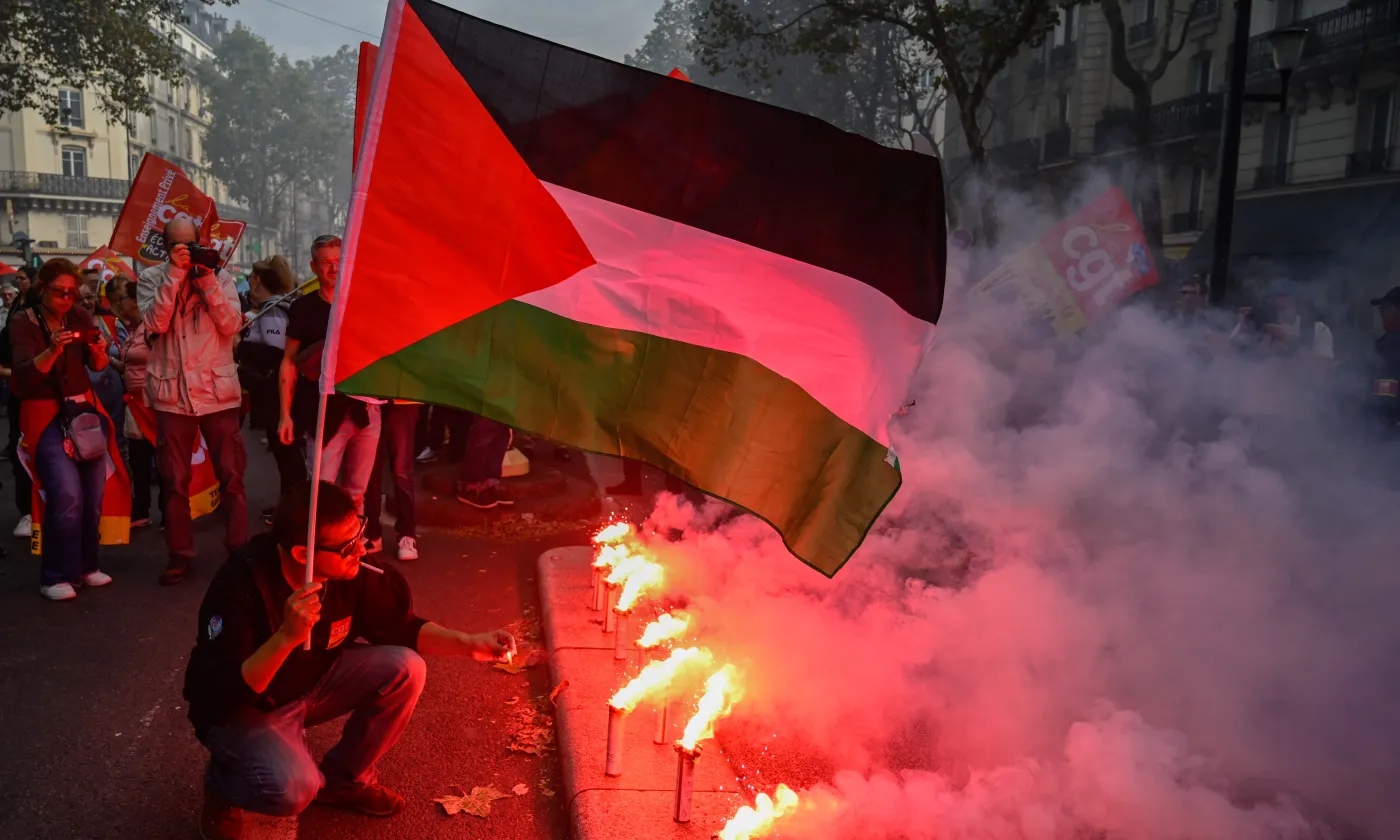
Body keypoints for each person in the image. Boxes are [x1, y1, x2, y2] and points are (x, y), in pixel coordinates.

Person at [184, 480, 516, 839]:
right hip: (252, 706)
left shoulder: (348, 570)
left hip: (315, 681)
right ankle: (224, 786)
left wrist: (470, 643)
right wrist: (285, 637)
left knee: (406, 668)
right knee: (292, 789)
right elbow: (223, 693)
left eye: (359, 531)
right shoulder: (242, 584)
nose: (361, 548)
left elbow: (399, 627)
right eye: (346, 546)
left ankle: (345, 780)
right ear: (301, 554)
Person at [137, 217, 249, 586]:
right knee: (173, 481)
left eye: (191, 244)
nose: (185, 251)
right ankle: (179, 554)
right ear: (166, 247)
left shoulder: (223, 278)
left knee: (232, 476)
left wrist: (206, 281)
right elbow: (155, 323)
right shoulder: (152, 278)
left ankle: (239, 548)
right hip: (173, 395)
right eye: (177, 245)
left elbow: (233, 325)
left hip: (217, 394)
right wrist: (173, 275)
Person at [10, 259, 120, 600]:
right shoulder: (23, 321)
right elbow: (24, 375)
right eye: (60, 292)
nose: (67, 299)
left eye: (73, 293)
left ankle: (86, 566)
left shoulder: (80, 316)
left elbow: (97, 366)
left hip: (82, 409)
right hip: (43, 412)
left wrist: (100, 352)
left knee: (92, 492)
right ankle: (56, 573)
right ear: (42, 288)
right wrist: (54, 348)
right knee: (66, 491)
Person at [278, 235, 382, 517]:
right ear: (314, 266)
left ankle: (352, 550)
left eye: (339, 261)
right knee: (321, 493)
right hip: (321, 411)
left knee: (357, 491)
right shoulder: (302, 308)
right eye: (326, 263)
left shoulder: (364, 302)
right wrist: (285, 415)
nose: (333, 268)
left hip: (365, 407)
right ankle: (322, 552)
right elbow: (288, 362)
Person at [239, 256, 303, 518]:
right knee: (285, 452)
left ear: (257, 281)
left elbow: (279, 355)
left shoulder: (272, 309)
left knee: (286, 453)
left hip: (275, 391)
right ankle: (291, 504)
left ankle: (293, 507)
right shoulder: (276, 306)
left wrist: (241, 347)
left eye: (250, 278)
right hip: (275, 390)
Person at [113, 281, 159, 528]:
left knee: (164, 461)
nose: (119, 304)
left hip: (155, 403)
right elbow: (129, 366)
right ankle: (140, 509)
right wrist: (106, 358)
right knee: (139, 460)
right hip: (135, 404)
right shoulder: (132, 330)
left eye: (121, 299)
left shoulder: (153, 327)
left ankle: (168, 510)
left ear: (134, 300)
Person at [4, 266, 38, 537]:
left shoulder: (66, 318)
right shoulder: (16, 318)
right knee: (22, 454)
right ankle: (27, 512)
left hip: (53, 402)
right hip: (22, 399)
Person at [364, 400, 420, 560]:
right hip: (371, 398)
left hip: (403, 398)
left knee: (401, 470)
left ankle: (407, 535)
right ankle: (372, 532)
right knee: (370, 468)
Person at [1368, 287, 1400, 432]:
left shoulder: (1389, 345)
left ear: (1396, 312)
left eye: (1384, 309)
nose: (1381, 313)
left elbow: (1385, 395)